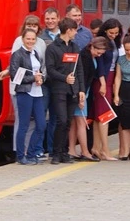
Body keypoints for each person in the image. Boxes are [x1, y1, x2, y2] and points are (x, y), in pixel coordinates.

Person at [45, 18, 85, 165]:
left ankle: (64, 152)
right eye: (75, 30)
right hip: (59, 89)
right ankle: (56, 152)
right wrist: (64, 78)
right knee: (61, 120)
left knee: (68, 121)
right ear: (68, 30)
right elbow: (50, 69)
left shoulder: (75, 47)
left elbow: (79, 69)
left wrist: (81, 89)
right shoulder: (52, 48)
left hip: (72, 89)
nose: (76, 33)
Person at [9, 28, 47, 165]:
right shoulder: (17, 54)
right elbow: (15, 76)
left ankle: (31, 153)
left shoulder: (35, 53)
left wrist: (41, 79)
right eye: (28, 39)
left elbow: (40, 71)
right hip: (25, 93)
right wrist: (33, 78)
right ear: (23, 39)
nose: (30, 41)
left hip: (38, 92)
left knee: (41, 125)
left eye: (33, 39)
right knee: (23, 125)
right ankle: (20, 156)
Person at [68, 37, 107, 161]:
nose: (99, 55)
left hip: (83, 93)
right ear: (92, 47)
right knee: (81, 122)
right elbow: (82, 78)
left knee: (74, 123)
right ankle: (85, 152)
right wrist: (81, 97)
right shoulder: (85, 58)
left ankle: (71, 150)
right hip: (81, 94)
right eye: (98, 52)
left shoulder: (90, 56)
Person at [93, 19, 123, 161]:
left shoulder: (114, 42)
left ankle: (96, 147)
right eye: (111, 32)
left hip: (110, 78)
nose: (114, 35)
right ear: (105, 30)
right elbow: (99, 64)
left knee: (99, 115)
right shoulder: (102, 41)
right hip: (103, 79)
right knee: (105, 115)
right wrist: (103, 83)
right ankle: (104, 150)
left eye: (116, 33)